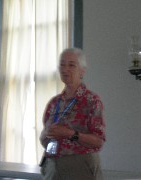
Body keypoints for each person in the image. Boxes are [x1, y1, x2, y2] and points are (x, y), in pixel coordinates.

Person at [39, 48, 106, 180]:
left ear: (82, 70)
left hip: (80, 165)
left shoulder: (91, 100)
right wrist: (46, 135)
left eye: (71, 65)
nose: (65, 69)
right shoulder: (54, 103)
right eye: (62, 65)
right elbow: (45, 135)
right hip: (52, 164)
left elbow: (98, 141)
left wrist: (70, 134)